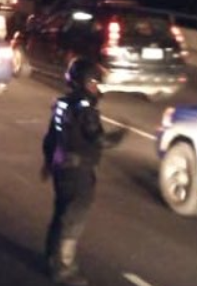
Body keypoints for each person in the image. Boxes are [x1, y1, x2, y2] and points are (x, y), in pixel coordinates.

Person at [41, 57, 125, 285]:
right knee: (73, 218)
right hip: (78, 172)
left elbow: (50, 138)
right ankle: (63, 268)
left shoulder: (62, 104)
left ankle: (51, 257)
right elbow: (98, 139)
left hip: (62, 168)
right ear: (87, 82)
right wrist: (118, 136)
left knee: (61, 214)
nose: (98, 87)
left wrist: (48, 163)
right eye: (95, 82)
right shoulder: (85, 108)